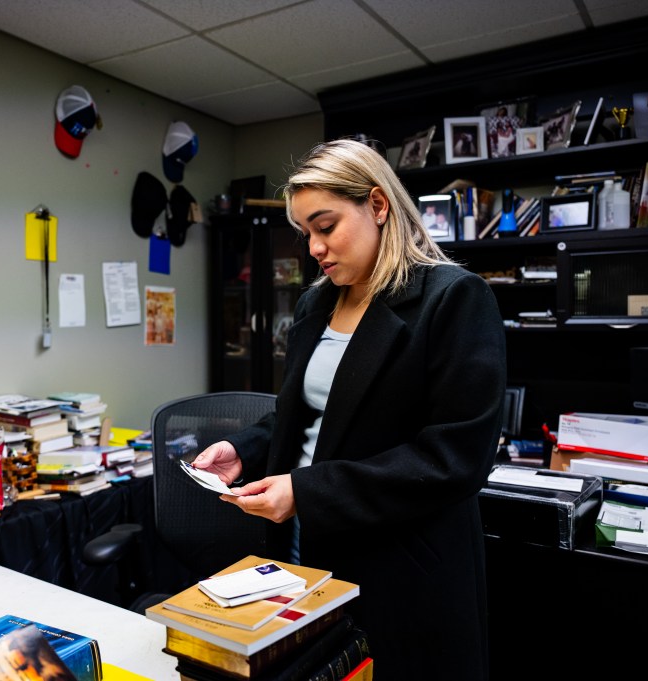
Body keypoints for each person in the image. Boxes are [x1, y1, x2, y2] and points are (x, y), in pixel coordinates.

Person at [192, 139, 506, 679]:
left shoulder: (454, 298)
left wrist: (308, 491)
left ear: (378, 206)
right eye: (306, 232)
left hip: (403, 563)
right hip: (307, 546)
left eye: (326, 225)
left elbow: (454, 457)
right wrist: (245, 449)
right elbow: (305, 415)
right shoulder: (317, 302)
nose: (314, 246)